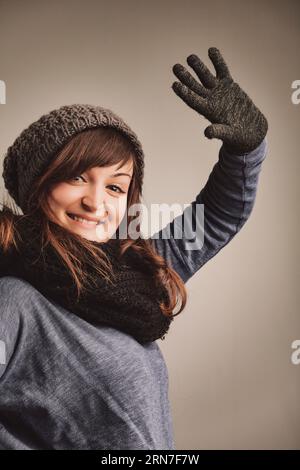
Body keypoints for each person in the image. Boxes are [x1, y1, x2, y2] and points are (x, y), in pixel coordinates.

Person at [0, 47, 268, 450]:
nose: (96, 202)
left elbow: (217, 216)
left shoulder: (139, 270)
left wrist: (246, 149)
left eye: (115, 186)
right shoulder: (14, 300)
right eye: (76, 177)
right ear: (39, 187)